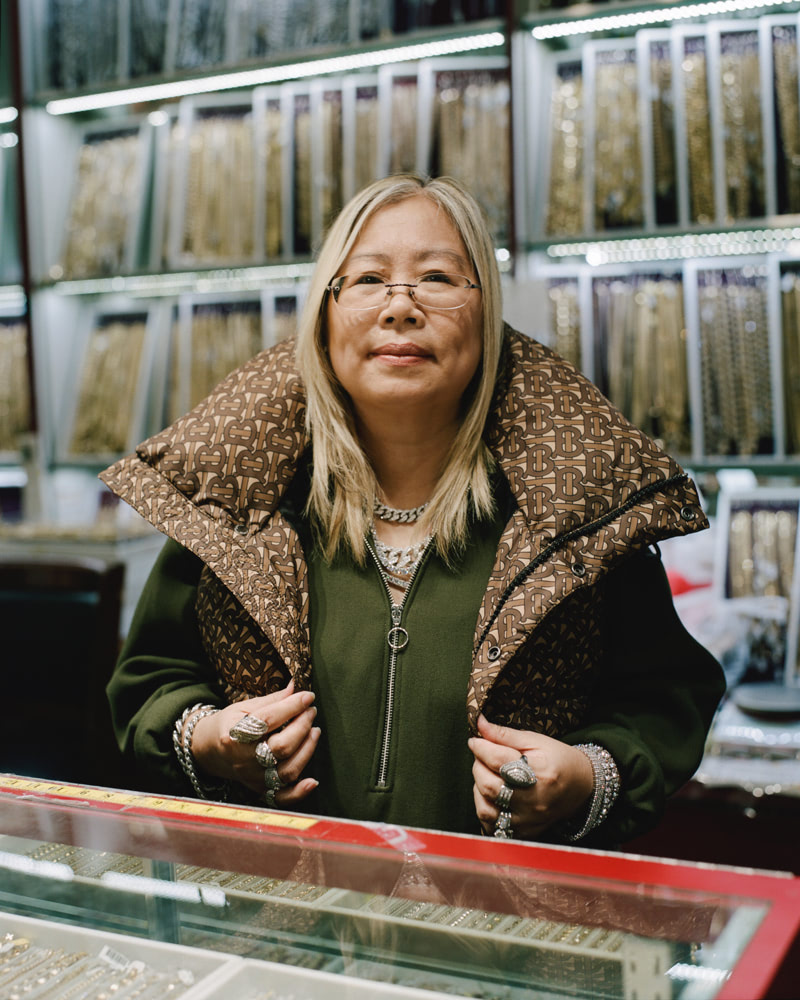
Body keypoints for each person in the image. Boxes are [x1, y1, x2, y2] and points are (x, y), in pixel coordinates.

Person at [102, 173, 724, 848]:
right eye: (368, 280)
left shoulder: (574, 507)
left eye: (436, 278)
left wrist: (585, 775)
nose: (400, 308)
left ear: (487, 314)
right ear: (326, 314)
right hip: (283, 928)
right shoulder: (236, 496)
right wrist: (208, 737)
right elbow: (150, 682)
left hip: (502, 933)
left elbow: (664, 701)